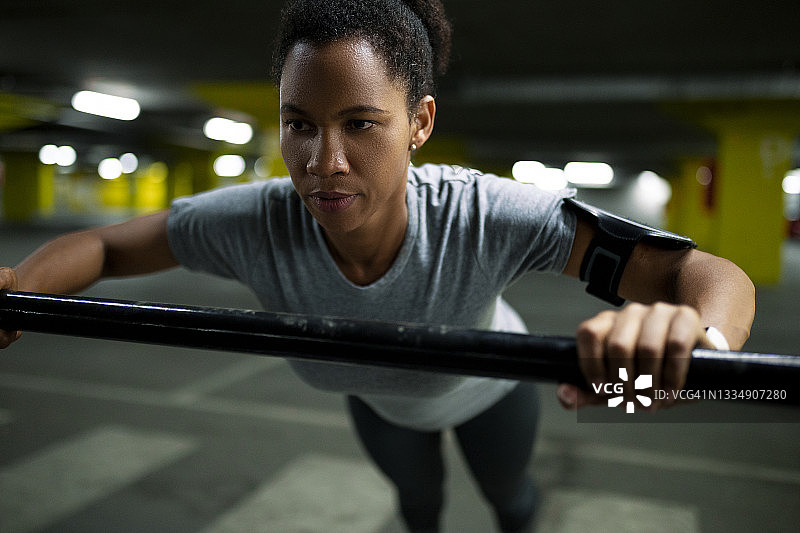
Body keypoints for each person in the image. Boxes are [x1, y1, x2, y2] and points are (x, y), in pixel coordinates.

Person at [0, 1, 755, 531]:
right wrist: (17, 289)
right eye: (300, 125)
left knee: (513, 503)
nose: (323, 163)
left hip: (489, 395)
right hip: (380, 402)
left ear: (419, 122)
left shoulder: (484, 214)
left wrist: (699, 341)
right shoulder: (258, 220)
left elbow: (707, 275)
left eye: (361, 124)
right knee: (419, 508)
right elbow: (103, 247)